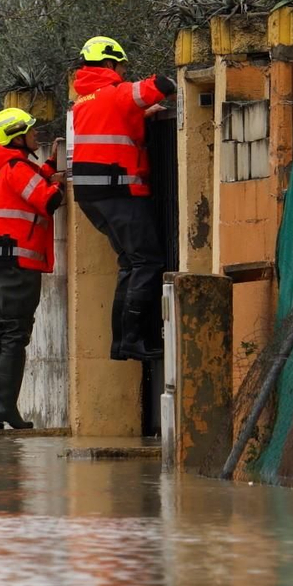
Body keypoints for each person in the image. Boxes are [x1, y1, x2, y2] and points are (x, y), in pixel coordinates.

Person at [69, 36, 175, 361]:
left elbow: (113, 122)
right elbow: (162, 84)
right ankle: (132, 340)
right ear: (109, 63)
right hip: (121, 190)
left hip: (91, 196)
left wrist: (139, 115)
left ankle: (123, 342)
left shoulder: (82, 100)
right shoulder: (116, 92)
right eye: (122, 66)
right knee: (147, 261)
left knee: (130, 263)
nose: (124, 71)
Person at [0, 107, 64, 430]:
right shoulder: (16, 166)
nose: (36, 134)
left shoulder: (7, 166)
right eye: (30, 130)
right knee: (14, 335)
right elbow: (47, 200)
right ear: (16, 137)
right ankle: (4, 407)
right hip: (17, 263)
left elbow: (31, 184)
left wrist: (50, 167)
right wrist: (61, 183)